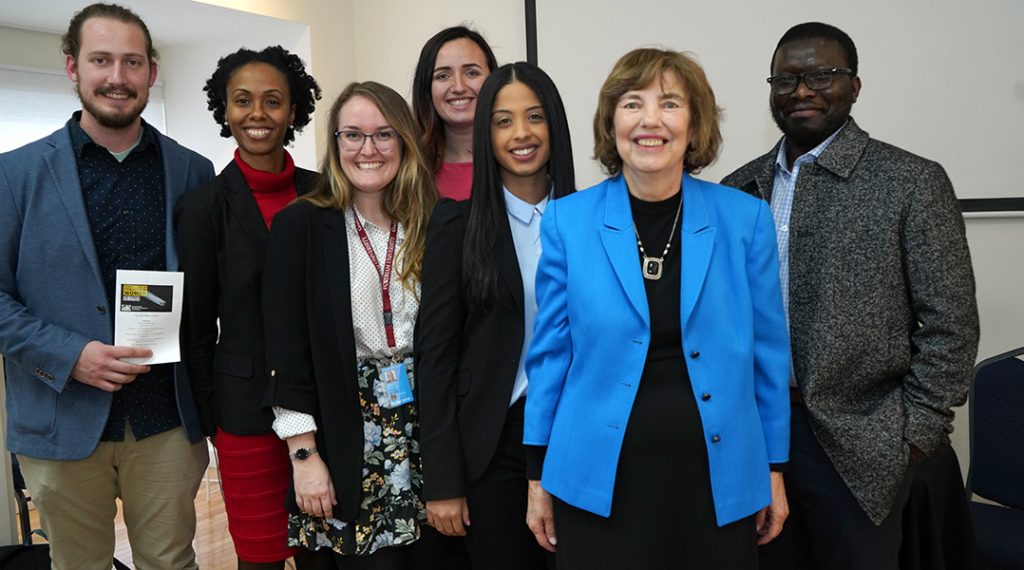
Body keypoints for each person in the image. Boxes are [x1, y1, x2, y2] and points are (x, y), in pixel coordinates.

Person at [721, 22, 979, 570]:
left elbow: (951, 328)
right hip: (758, 434)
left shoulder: (910, 181)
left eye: (822, 75)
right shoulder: (739, 188)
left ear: (855, 86)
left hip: (864, 443)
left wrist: (911, 435)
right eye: (786, 78)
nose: (803, 90)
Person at [523, 47, 791, 569]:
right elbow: (549, 358)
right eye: (632, 103)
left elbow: (768, 357)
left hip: (719, 480)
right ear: (612, 122)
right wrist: (537, 477)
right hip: (595, 484)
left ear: (694, 125)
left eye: (670, 104)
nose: (650, 120)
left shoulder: (745, 220)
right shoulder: (568, 222)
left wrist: (774, 469)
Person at [0, 3, 213, 569]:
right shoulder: (13, 175)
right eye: (101, 60)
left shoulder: (193, 171)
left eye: (132, 62)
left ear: (152, 72)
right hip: (61, 416)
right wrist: (71, 356)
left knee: (171, 563)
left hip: (167, 418)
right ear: (72, 67)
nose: (117, 77)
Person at [262, 81, 441, 569]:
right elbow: (284, 347)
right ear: (335, 142)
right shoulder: (301, 225)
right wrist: (304, 456)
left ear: (404, 141)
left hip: (425, 433)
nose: (368, 149)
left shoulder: (432, 222)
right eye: (352, 135)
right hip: (344, 436)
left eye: (384, 134)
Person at [176, 45, 329, 570]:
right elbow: (194, 327)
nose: (257, 114)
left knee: (323, 553)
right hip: (244, 415)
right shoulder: (203, 207)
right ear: (225, 109)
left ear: (293, 111)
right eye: (243, 101)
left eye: (272, 101)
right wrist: (211, 418)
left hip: (327, 404)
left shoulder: (325, 193)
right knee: (259, 557)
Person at [416, 61, 574, 570]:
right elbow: (435, 359)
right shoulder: (455, 225)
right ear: (485, 134)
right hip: (491, 444)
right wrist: (442, 481)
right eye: (503, 121)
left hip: (582, 434)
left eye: (534, 117)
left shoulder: (596, 220)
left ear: (555, 124)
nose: (521, 134)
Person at [412, 26, 498, 200]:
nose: (458, 87)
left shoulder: (515, 160)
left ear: (493, 80)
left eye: (472, 73)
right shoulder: (410, 167)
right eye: (443, 76)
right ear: (427, 89)